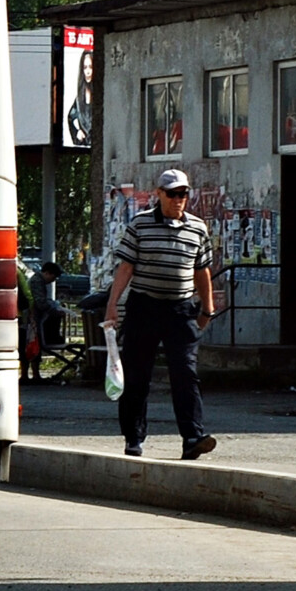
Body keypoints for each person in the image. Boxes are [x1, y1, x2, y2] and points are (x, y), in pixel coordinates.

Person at [100, 168, 220, 461]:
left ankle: (192, 437)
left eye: (184, 194)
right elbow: (126, 267)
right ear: (159, 194)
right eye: (173, 194)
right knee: (138, 375)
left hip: (180, 310)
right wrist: (113, 304)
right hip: (145, 306)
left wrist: (207, 307)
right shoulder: (140, 225)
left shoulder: (197, 228)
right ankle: (133, 437)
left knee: (185, 372)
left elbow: (201, 270)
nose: (179, 199)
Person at [23, 262, 68, 383]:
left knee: (29, 345)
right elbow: (40, 302)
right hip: (31, 318)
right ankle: (34, 375)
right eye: (53, 277)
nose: (53, 280)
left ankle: (28, 375)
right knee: (32, 344)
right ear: (47, 273)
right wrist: (54, 310)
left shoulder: (35, 280)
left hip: (30, 317)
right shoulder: (37, 282)